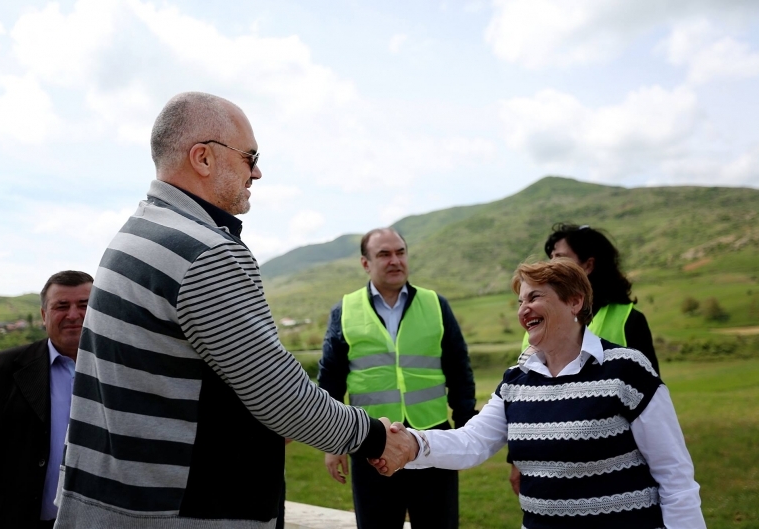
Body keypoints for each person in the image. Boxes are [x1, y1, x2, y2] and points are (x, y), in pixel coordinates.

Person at [52, 92, 413, 529]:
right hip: (182, 513)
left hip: (115, 504)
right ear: (203, 158)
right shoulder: (205, 252)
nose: (256, 172)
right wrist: (374, 437)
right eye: (250, 157)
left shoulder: (135, 235)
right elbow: (280, 395)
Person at [373, 259, 706, 529]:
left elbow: (674, 475)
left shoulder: (627, 369)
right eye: (520, 302)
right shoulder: (516, 382)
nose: (523, 310)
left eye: (534, 298)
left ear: (574, 301)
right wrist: (412, 443)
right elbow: (472, 442)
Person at [318, 227, 477, 529]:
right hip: (370, 443)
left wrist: (466, 427)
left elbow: (459, 370)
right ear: (365, 263)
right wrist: (332, 442)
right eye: (384, 254)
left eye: (400, 252)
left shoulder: (436, 304)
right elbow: (331, 381)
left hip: (432, 440)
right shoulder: (345, 311)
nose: (395, 260)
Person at [0, 270, 93, 528]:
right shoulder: (0, 370)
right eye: (61, 306)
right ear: (43, 315)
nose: (73, 315)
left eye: (84, 305)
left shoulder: (127, 369)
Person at [519, 223, 659, 371]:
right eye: (551, 257)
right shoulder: (537, 321)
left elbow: (648, 382)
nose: (551, 265)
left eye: (560, 257)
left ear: (588, 265)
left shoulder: (629, 320)